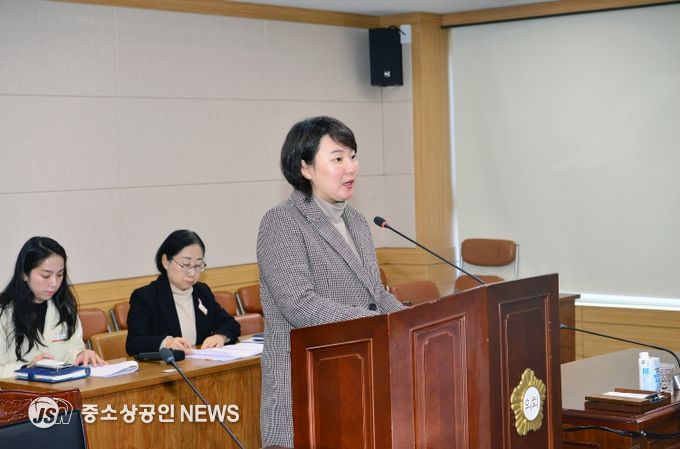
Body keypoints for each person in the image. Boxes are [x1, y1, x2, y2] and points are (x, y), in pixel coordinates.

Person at [257, 116, 406, 447]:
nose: (351, 167)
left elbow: (375, 294)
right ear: (306, 168)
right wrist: (376, 324)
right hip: (306, 387)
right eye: (337, 158)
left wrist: (410, 323)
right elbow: (300, 305)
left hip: (356, 383)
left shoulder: (357, 221)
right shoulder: (282, 222)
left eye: (352, 156)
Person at [0, 236, 105, 378]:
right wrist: (25, 368)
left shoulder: (64, 308)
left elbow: (73, 350)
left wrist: (81, 356)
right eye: (46, 276)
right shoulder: (4, 314)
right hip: (17, 391)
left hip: (63, 389)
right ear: (24, 274)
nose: (54, 283)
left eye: (60, 275)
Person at [125, 229, 240, 355]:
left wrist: (220, 337)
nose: (192, 273)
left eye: (197, 265)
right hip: (168, 366)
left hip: (202, 364)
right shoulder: (145, 297)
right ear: (165, 261)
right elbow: (134, 343)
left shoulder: (202, 292)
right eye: (185, 265)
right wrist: (167, 343)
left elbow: (230, 324)